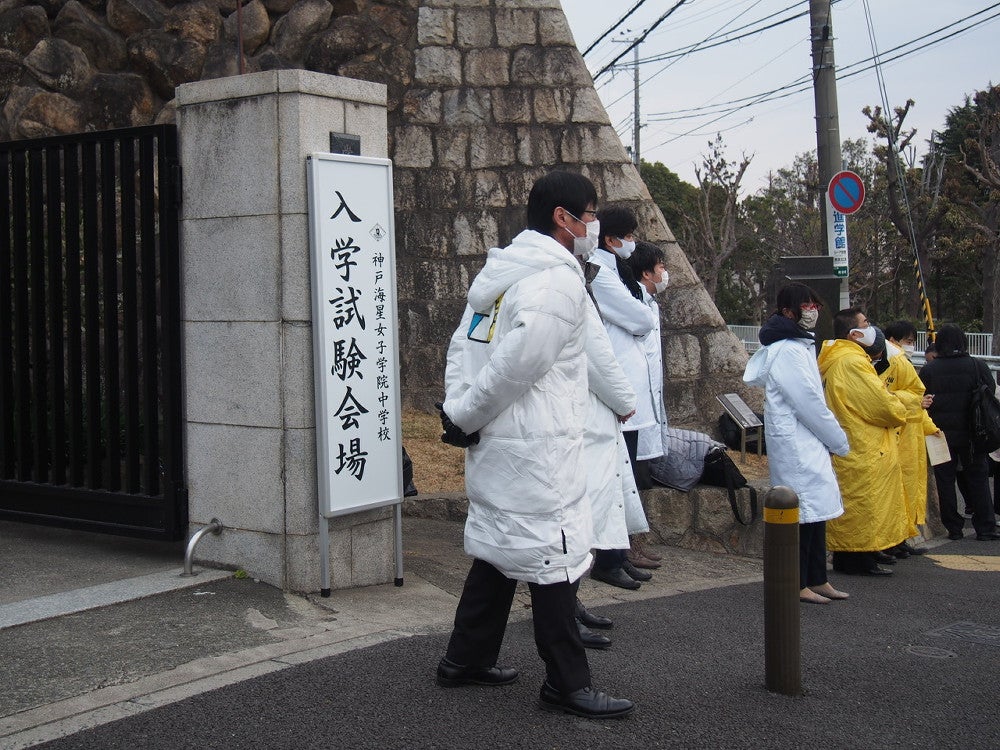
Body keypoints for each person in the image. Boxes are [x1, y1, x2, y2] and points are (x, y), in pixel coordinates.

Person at [435, 170, 634, 719]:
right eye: (590, 214)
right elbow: (516, 366)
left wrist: (462, 414)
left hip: (500, 442)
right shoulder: (558, 282)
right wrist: (468, 414)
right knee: (556, 558)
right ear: (562, 218)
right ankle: (567, 683)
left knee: (500, 550)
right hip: (537, 447)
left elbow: (464, 350)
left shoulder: (500, 275)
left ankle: (465, 659)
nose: (594, 224)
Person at [743, 284, 851, 604]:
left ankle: (817, 577)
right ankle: (798, 581)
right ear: (789, 311)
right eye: (806, 304)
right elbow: (808, 403)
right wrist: (838, 440)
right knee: (801, 514)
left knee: (815, 513)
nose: (812, 310)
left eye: (814, 304)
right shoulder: (789, 350)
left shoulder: (797, 344)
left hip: (805, 440)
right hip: (798, 440)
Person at [586, 206, 661, 588]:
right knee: (615, 478)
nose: (633, 242)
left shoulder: (615, 270)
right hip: (614, 390)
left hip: (626, 389)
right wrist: (637, 318)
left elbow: (641, 317)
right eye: (629, 235)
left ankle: (618, 554)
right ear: (612, 239)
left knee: (625, 479)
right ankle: (609, 558)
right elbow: (641, 319)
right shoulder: (600, 272)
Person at [817, 308, 908, 576]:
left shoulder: (840, 359)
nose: (872, 327)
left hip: (856, 441)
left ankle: (859, 554)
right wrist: (899, 404)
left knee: (861, 502)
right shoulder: (852, 363)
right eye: (866, 323)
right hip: (863, 442)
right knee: (863, 503)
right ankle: (858, 557)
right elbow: (881, 405)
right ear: (854, 333)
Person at [918, 324, 1000, 542]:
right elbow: (989, 392)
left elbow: (922, 399)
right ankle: (986, 527)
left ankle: (953, 527)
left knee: (945, 480)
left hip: (939, 433)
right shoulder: (977, 365)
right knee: (978, 478)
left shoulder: (929, 370)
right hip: (973, 433)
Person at [625, 239, 673, 568]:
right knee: (627, 480)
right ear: (645, 273)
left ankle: (635, 543)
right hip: (632, 410)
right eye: (660, 269)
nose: (665, 274)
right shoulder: (632, 306)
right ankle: (625, 547)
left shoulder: (649, 305)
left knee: (639, 479)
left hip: (647, 410)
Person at [881, 321, 940, 556]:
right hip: (900, 435)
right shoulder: (891, 360)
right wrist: (916, 402)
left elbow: (917, 405)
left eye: (913, 341)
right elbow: (884, 395)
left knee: (908, 490)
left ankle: (903, 536)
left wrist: (930, 427)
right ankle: (894, 539)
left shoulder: (899, 360)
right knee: (900, 490)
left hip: (910, 435)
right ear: (893, 340)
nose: (911, 346)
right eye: (908, 341)